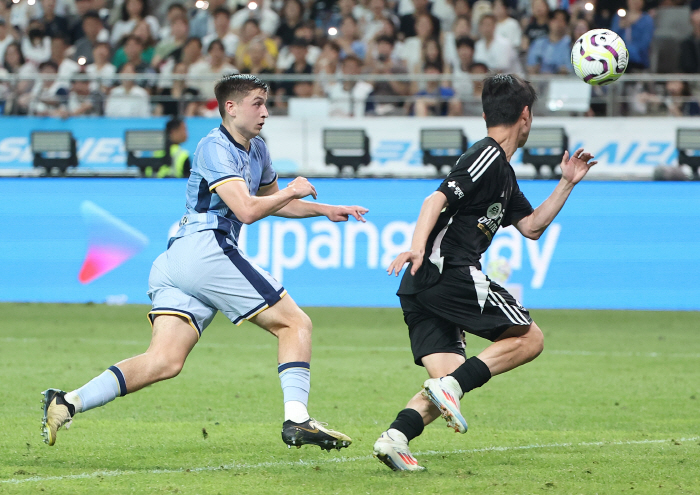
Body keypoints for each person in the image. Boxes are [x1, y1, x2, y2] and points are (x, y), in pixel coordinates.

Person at [41, 73, 367, 452]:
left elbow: (276, 201)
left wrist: (325, 209)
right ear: (230, 107)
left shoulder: (258, 149)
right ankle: (297, 419)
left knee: (164, 361)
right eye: (257, 103)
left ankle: (67, 401)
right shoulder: (214, 146)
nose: (265, 111)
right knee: (295, 324)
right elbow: (246, 210)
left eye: (266, 103)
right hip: (205, 248)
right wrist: (293, 188)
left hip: (178, 259)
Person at [372, 73, 597, 471]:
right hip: (448, 270)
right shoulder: (487, 155)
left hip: (421, 287)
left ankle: (396, 438)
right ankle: (448, 390)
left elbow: (530, 227)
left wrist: (566, 184)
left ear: (485, 113)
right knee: (529, 339)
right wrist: (419, 248)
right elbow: (434, 199)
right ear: (525, 116)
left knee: (451, 378)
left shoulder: (503, 174)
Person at [526, 9, 572, 75]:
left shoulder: (570, 45)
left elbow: (569, 70)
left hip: (561, 82)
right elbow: (530, 66)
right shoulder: (538, 43)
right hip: (539, 81)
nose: (558, 23)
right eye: (555, 19)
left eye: (562, 20)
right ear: (549, 22)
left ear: (566, 24)